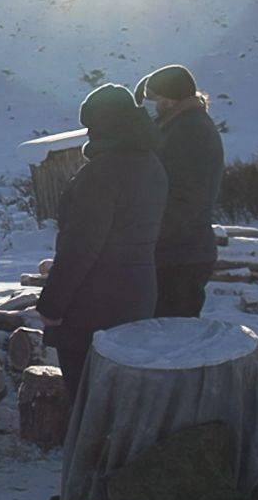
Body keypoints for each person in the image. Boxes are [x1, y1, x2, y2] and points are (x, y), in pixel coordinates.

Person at [36, 84, 168, 392]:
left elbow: (80, 248)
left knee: (89, 398)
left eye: (92, 126)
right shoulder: (152, 165)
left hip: (94, 305)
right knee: (124, 393)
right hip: (139, 296)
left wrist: (52, 305)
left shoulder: (102, 173)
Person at [138, 64, 225, 318]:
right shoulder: (181, 125)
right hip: (178, 252)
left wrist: (151, 234)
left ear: (170, 99)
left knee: (171, 338)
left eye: (157, 99)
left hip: (179, 255)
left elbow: (184, 198)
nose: (154, 106)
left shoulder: (189, 131)